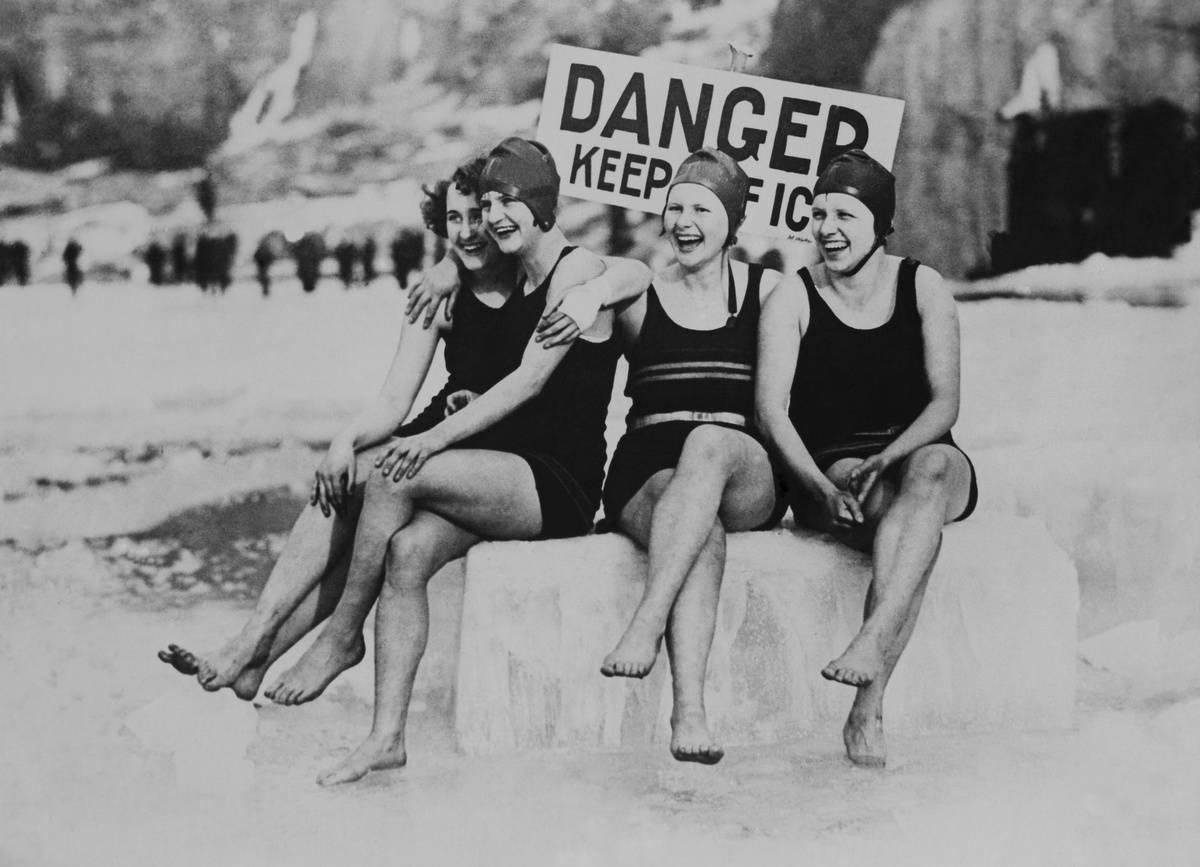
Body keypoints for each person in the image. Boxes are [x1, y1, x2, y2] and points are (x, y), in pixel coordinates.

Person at [308, 137, 631, 785]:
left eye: (511, 200)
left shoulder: (572, 271)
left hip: (559, 483)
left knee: (399, 472)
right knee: (407, 553)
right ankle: (386, 737)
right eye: (489, 203)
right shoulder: (516, 271)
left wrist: (430, 439)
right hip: (506, 471)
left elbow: (528, 382)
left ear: (542, 203)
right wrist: (446, 268)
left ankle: (343, 630)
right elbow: (469, 270)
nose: (497, 216)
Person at [755, 149, 978, 768]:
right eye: (818, 214)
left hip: (920, 451)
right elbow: (770, 412)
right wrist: (820, 489)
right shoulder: (793, 296)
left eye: (845, 215)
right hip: (834, 467)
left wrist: (890, 455)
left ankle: (872, 642)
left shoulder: (922, 284)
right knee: (917, 536)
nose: (827, 228)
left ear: (880, 225)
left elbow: (945, 405)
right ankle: (866, 711)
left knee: (930, 472)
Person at [599, 148, 784, 765]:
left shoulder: (771, 291)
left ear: (733, 222)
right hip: (648, 468)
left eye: (701, 207)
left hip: (743, 467)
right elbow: (556, 276)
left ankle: (646, 622)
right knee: (698, 531)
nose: (683, 220)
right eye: (674, 205)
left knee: (706, 445)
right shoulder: (638, 294)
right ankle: (690, 712)